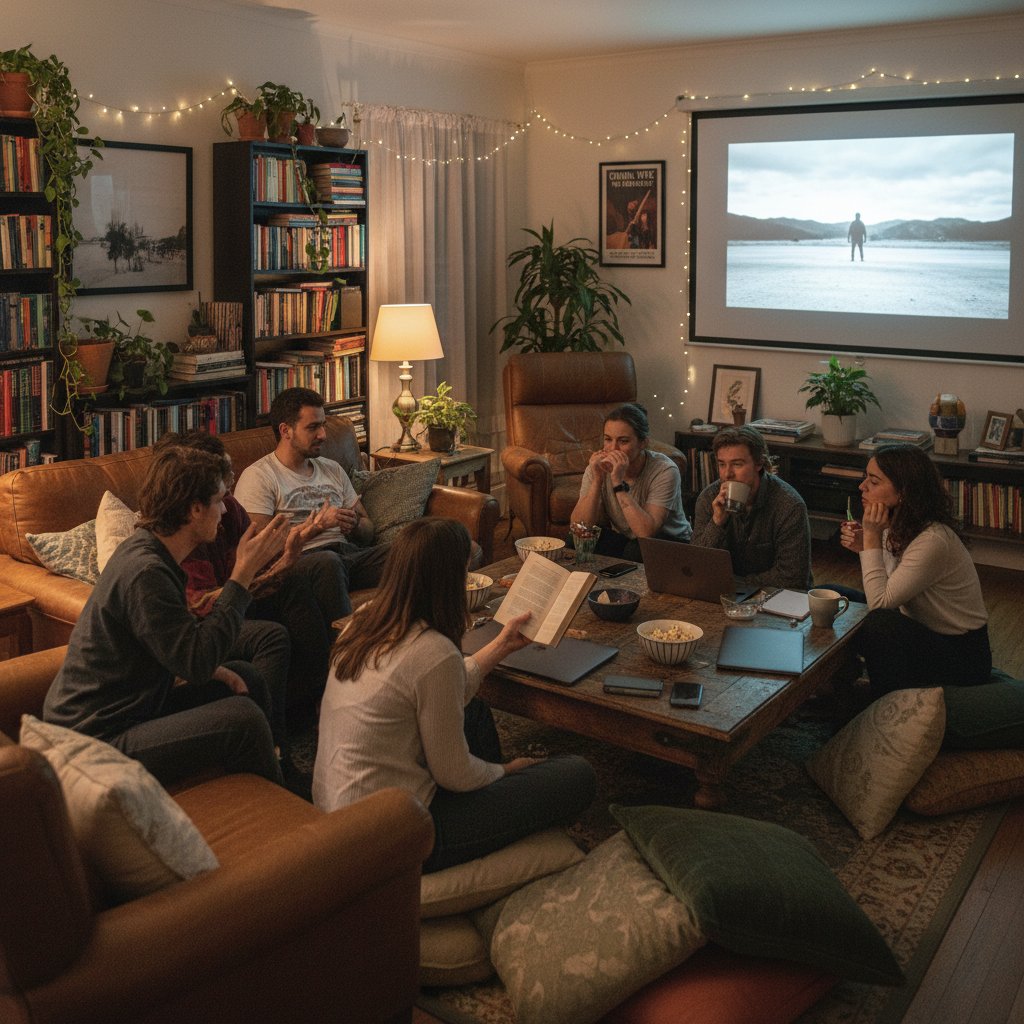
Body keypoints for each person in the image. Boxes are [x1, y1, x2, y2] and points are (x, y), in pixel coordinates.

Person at [313, 517, 596, 873]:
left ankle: (490, 810)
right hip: (395, 835)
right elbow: (454, 774)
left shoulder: (364, 619)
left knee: (473, 712)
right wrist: (507, 771)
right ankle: (492, 818)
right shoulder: (432, 651)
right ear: (449, 580)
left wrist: (502, 645)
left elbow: (443, 686)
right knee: (577, 775)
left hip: (340, 813)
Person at [43, 445, 292, 787]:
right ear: (195, 509)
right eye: (218, 500)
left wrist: (214, 668)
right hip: (96, 737)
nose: (224, 508)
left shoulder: (152, 551)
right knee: (243, 718)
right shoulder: (146, 572)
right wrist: (241, 577)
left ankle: (281, 775)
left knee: (246, 676)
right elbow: (196, 663)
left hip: (136, 707)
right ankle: (279, 804)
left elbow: (175, 645)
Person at [159, 430, 334, 724]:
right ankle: (271, 733)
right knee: (271, 635)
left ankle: (325, 694)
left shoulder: (228, 508)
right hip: (205, 620)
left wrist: (286, 558)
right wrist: (264, 569)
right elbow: (206, 607)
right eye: (224, 476)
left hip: (234, 601)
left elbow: (255, 570)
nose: (231, 484)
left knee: (301, 577)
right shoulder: (178, 538)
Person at [840, 444, 991, 697]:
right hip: (919, 628)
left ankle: (886, 700)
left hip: (962, 656)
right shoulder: (897, 523)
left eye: (874, 481)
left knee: (878, 624)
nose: (862, 486)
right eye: (865, 477)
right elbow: (891, 582)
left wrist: (871, 541)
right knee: (832, 595)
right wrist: (867, 545)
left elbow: (880, 603)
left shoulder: (933, 539)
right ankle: (839, 679)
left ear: (903, 492)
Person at [233, 387, 388, 622]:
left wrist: (355, 523)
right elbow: (260, 549)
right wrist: (316, 527)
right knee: (328, 562)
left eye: (323, 425)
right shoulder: (259, 476)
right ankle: (345, 644)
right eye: (313, 427)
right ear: (286, 430)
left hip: (348, 555)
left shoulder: (332, 469)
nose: (323, 435)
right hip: (303, 562)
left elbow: (368, 531)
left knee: (413, 548)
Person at [691, 425, 813, 591]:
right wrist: (716, 523)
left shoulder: (789, 504)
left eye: (737, 464)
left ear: (759, 463)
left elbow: (793, 577)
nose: (727, 474)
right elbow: (696, 564)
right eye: (722, 464)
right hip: (725, 591)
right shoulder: (708, 498)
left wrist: (738, 583)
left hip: (775, 594)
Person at [570, 402, 691, 562]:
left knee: (636, 550)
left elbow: (646, 532)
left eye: (623, 441)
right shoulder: (597, 467)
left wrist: (618, 483)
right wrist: (597, 480)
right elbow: (579, 526)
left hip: (670, 542)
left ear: (643, 443)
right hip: (627, 538)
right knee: (574, 541)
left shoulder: (665, 470)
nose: (613, 448)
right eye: (608, 439)